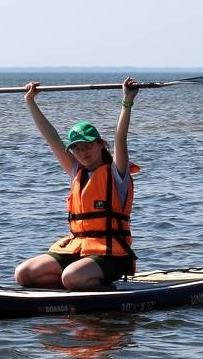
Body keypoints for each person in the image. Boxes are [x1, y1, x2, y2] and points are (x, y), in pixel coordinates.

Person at [14, 77, 141, 290]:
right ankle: (75, 285)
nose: (82, 153)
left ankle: (97, 288)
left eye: (87, 146)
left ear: (101, 144)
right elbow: (52, 138)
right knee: (24, 274)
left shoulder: (116, 172)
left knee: (72, 276)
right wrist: (30, 101)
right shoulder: (76, 171)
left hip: (112, 255)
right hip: (79, 248)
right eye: (77, 148)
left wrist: (127, 101)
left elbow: (120, 138)